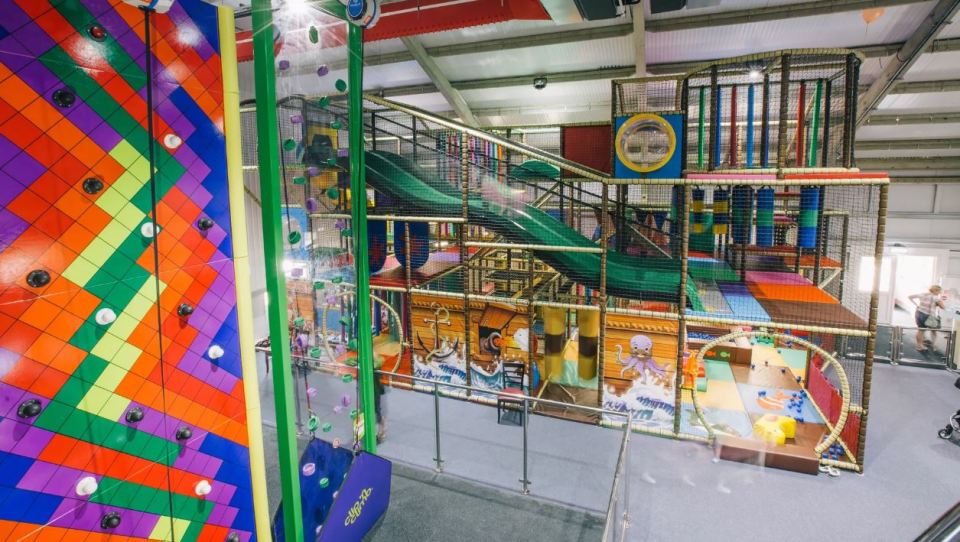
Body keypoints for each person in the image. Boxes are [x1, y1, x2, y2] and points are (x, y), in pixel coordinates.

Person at [909, 285, 946, 352]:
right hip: (928, 316)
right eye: (939, 291)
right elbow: (943, 307)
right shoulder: (935, 298)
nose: (939, 293)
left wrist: (916, 304)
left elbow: (910, 297)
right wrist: (941, 300)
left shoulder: (923, 294)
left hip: (918, 313)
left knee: (920, 330)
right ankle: (932, 344)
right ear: (936, 290)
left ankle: (919, 345)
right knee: (934, 330)